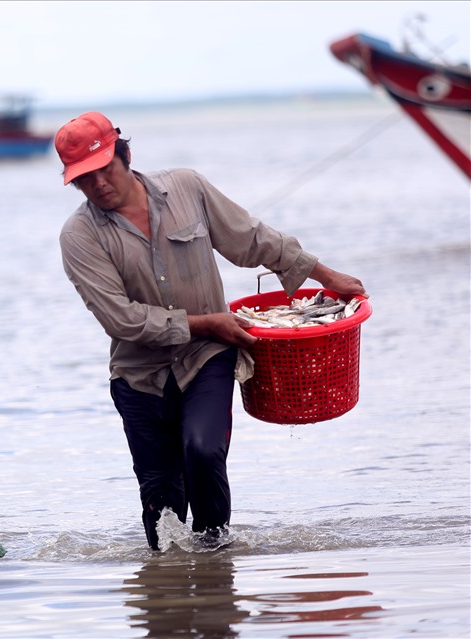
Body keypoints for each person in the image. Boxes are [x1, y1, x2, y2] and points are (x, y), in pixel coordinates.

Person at [54, 112, 367, 550]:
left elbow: (251, 239)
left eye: (105, 168)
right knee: (161, 504)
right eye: (85, 178)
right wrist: (208, 322)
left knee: (203, 450)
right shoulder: (79, 236)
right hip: (139, 378)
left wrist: (324, 275)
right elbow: (121, 319)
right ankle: (168, 595)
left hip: (207, 357)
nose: (99, 184)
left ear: (125, 155)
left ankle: (217, 565)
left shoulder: (187, 187)